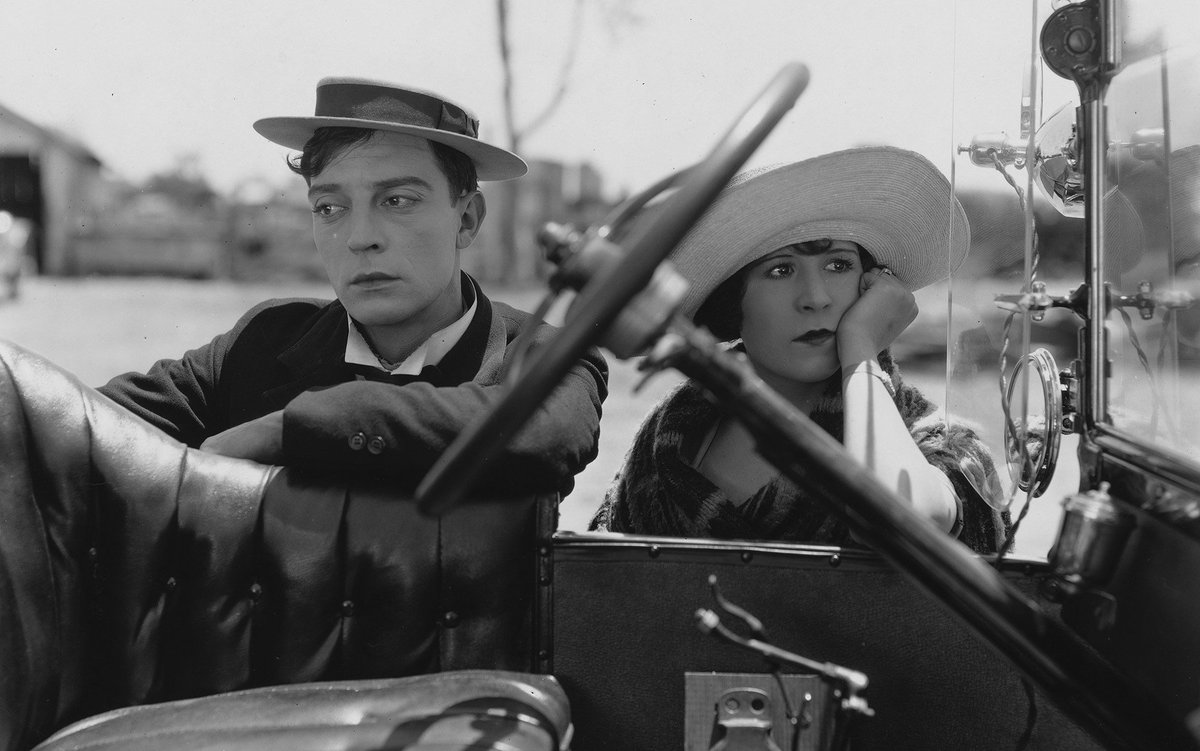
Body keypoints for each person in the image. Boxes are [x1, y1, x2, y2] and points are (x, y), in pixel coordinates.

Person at [97, 77, 607, 495]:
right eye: (329, 208)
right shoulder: (262, 342)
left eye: (397, 201)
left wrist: (296, 428)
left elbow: (547, 431)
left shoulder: (540, 353)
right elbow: (81, 424)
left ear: (467, 219)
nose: (361, 238)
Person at [590, 146, 1007, 552]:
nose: (815, 298)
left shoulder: (935, 443)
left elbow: (905, 520)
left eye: (839, 265)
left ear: (871, 286)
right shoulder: (667, 440)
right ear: (732, 303)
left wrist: (861, 352)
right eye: (780, 270)